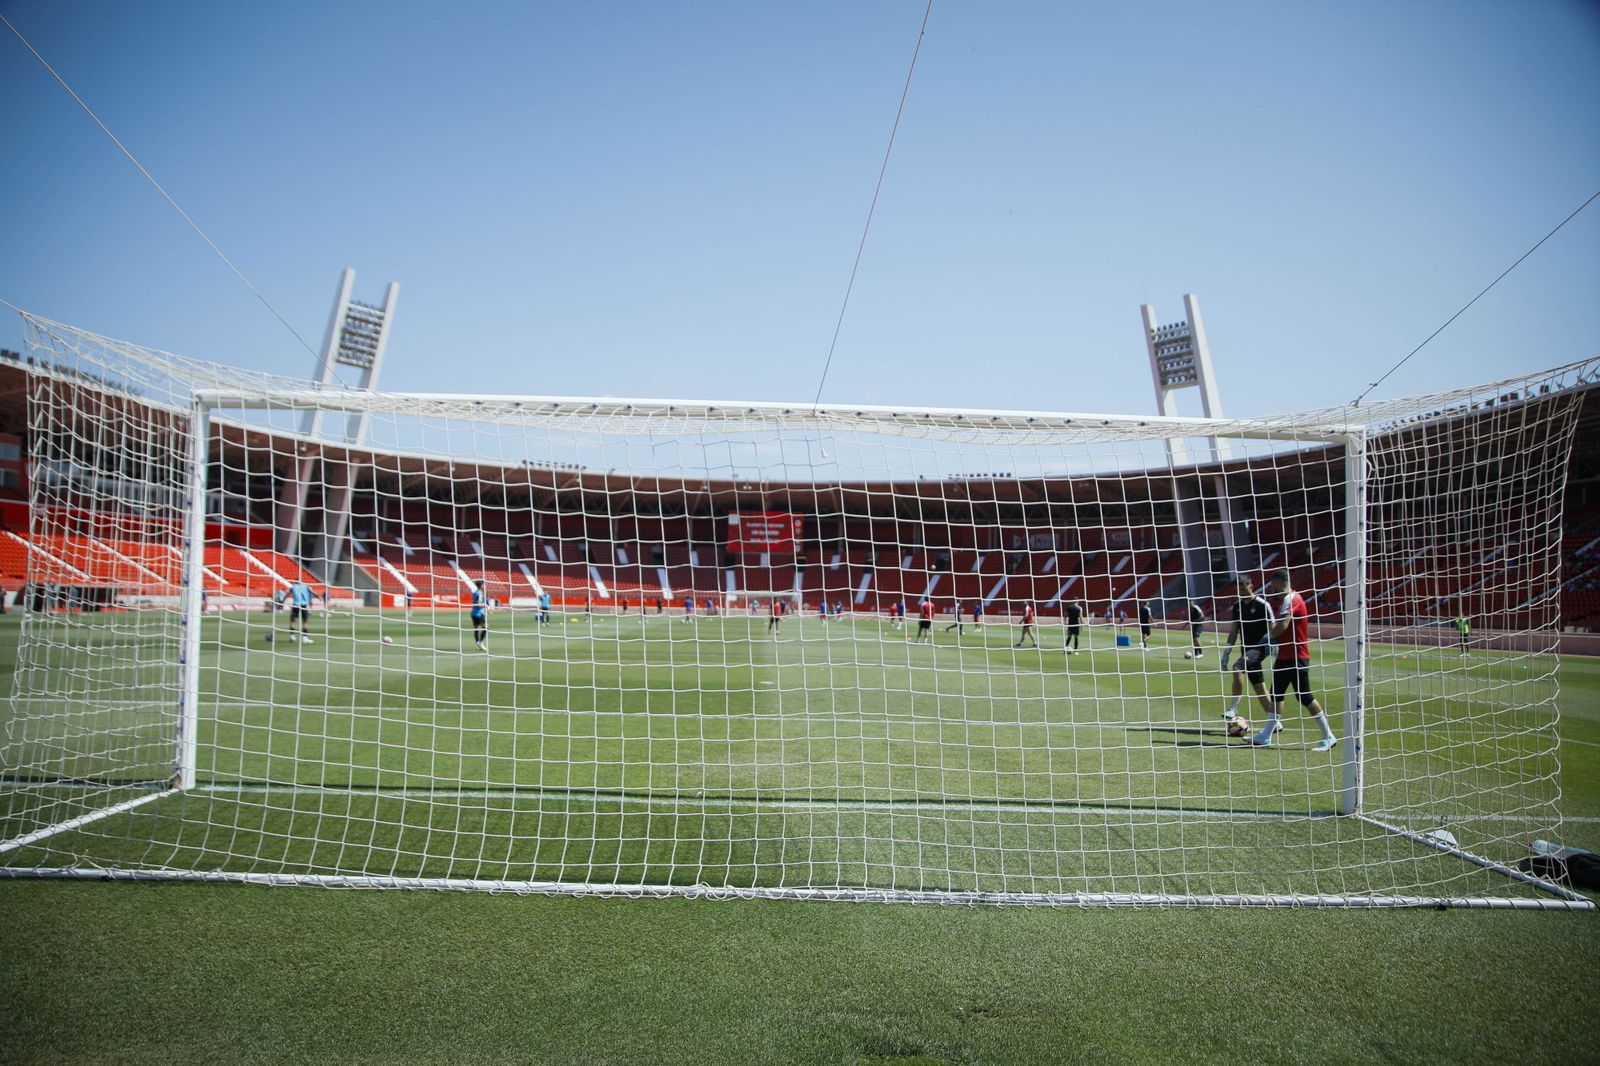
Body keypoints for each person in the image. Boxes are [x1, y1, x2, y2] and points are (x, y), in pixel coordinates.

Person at [1252, 568, 1338, 752]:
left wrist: (1266, 637)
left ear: (1280, 583)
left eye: (1273, 587)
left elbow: (1282, 625)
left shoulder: (1291, 599)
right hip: (1284, 656)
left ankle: (1328, 736)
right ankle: (1266, 736)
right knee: (1276, 695)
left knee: (1304, 696)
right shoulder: (1285, 600)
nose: (1272, 590)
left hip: (1297, 656)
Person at [1219, 576, 1276, 724]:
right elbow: (1234, 630)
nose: (1242, 590)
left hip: (1261, 647)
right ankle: (1275, 721)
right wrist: (1226, 652)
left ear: (1252, 586)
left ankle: (1233, 709)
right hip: (1246, 649)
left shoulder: (1263, 605)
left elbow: (1273, 628)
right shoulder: (1237, 606)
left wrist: (1275, 645)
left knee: (1237, 668)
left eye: (1245, 586)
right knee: (1259, 687)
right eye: (1239, 587)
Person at [469, 579, 489, 650]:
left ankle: (477, 643)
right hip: (479, 614)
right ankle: (481, 643)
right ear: (481, 586)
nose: (485, 586)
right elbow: (479, 604)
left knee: (476, 628)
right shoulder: (480, 593)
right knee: (486, 627)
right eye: (484, 584)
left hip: (473, 613)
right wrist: (486, 606)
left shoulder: (475, 592)